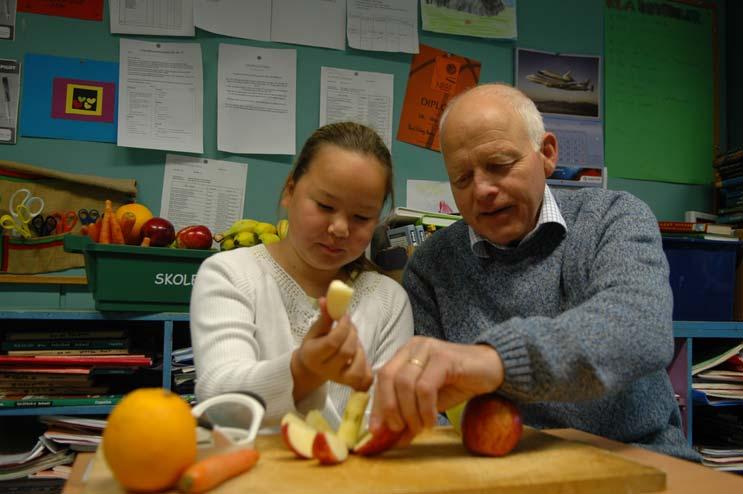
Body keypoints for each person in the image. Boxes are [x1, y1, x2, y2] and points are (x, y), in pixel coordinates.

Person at [369, 83, 699, 461]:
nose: (482, 190)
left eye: (499, 165)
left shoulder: (614, 218)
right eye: (462, 178)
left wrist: (493, 361)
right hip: (506, 470)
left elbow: (639, 329)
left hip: (637, 456)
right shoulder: (431, 266)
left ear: (546, 154)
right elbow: (438, 417)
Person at [190, 122, 413, 428]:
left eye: (361, 217)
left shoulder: (388, 300)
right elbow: (219, 402)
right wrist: (302, 370)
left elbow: (381, 421)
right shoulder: (229, 274)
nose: (340, 228)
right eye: (325, 205)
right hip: (253, 471)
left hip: (353, 474)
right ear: (290, 190)